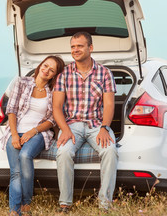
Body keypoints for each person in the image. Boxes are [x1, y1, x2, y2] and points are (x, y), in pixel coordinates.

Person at [52, 32, 118, 212]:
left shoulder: (104, 73)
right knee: (64, 153)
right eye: (73, 47)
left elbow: (109, 104)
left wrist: (105, 127)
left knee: (110, 150)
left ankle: (105, 205)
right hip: (71, 125)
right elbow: (56, 106)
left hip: (97, 124)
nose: (75, 50)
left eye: (79, 46)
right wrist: (64, 129)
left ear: (90, 48)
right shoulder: (64, 74)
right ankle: (65, 204)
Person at [1, 55, 65, 216]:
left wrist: (33, 131)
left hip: (39, 133)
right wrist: (15, 135)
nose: (46, 70)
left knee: (25, 155)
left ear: (54, 75)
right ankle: (15, 211)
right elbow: (12, 110)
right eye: (45, 66)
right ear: (40, 66)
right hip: (15, 131)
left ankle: (26, 203)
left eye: (51, 70)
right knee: (15, 171)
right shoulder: (22, 82)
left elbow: (52, 120)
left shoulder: (53, 91)